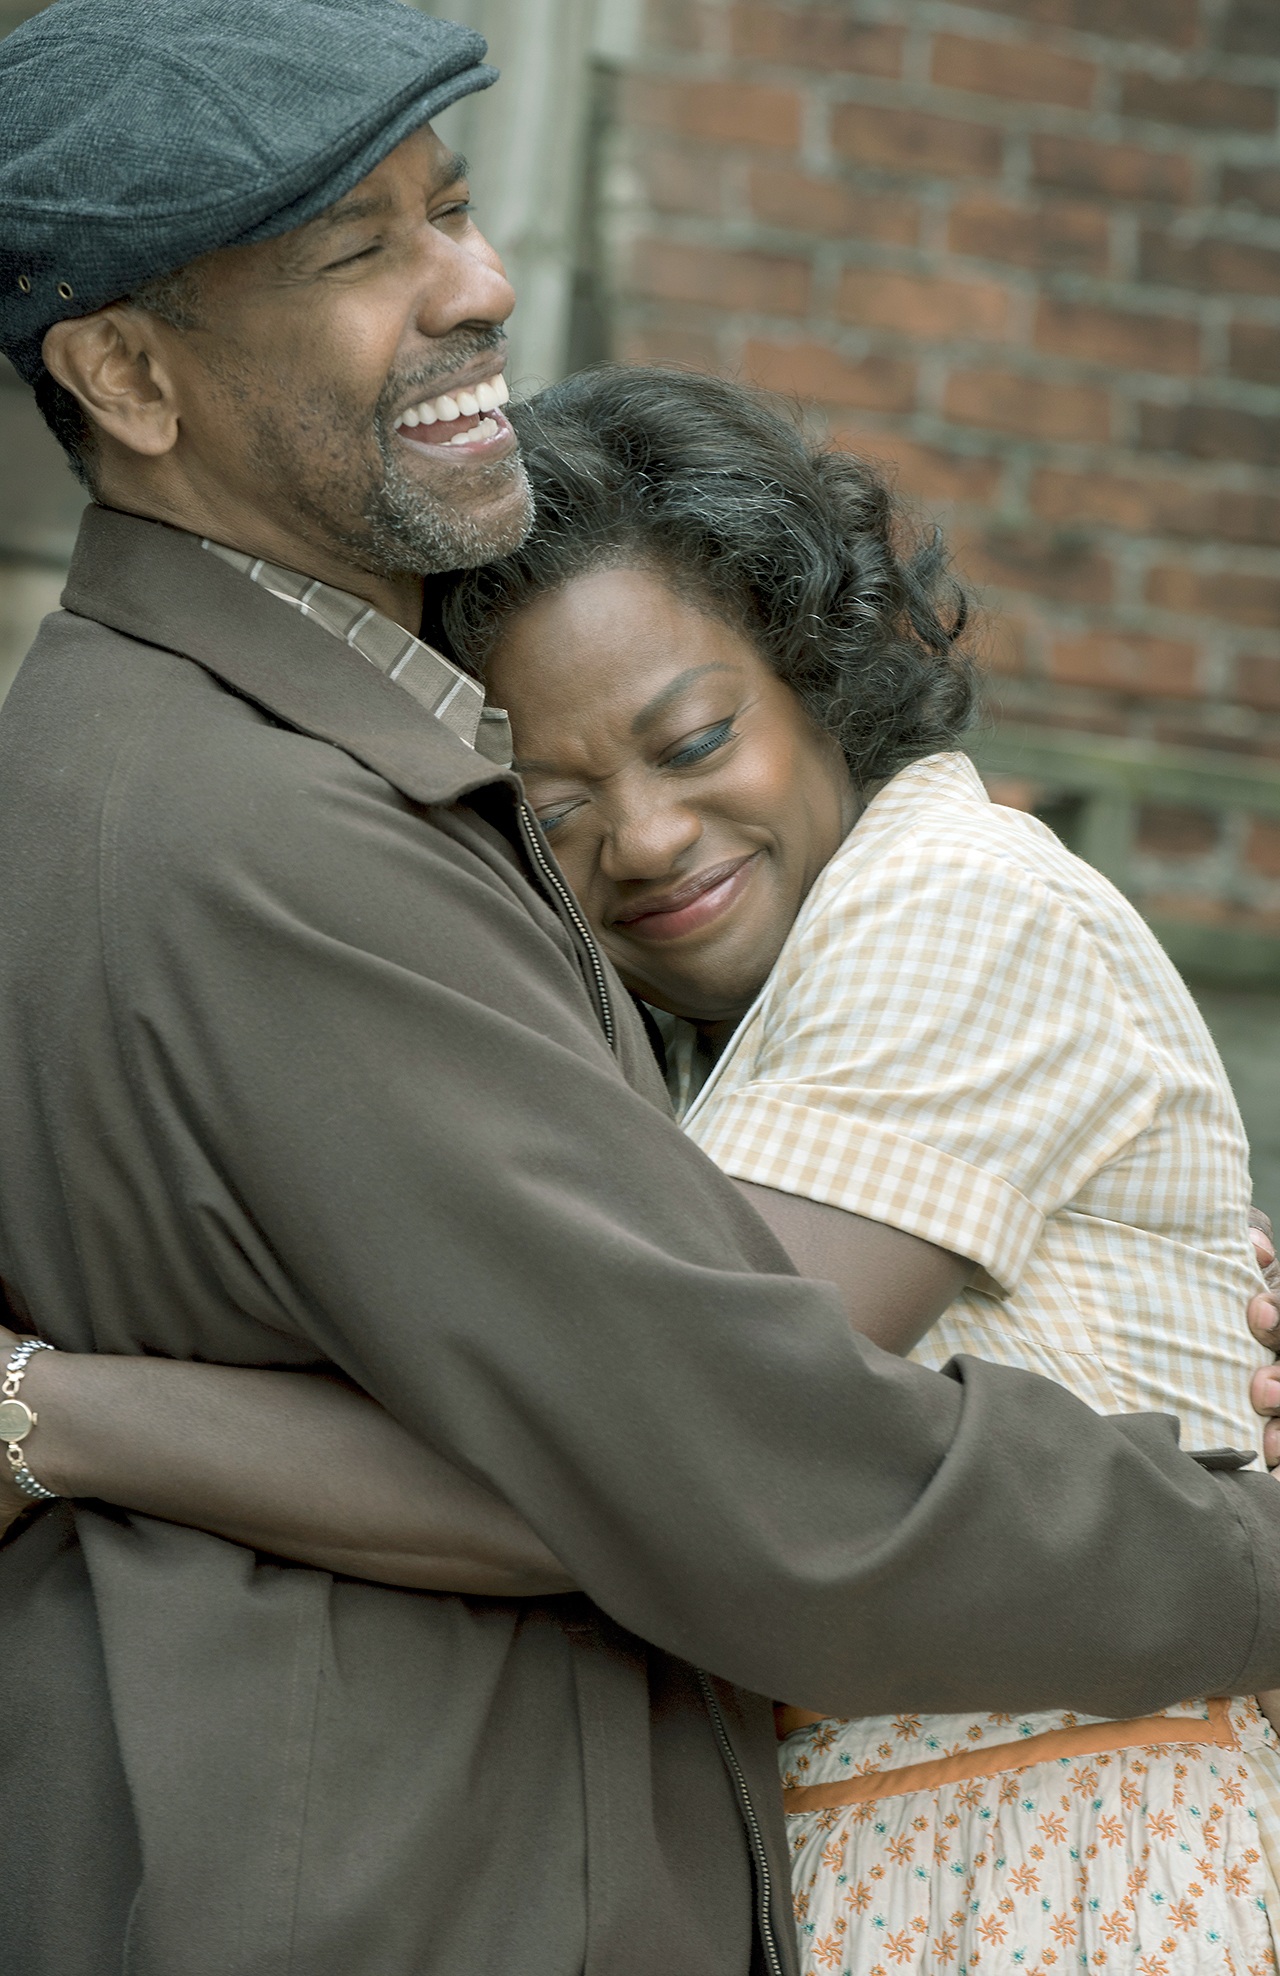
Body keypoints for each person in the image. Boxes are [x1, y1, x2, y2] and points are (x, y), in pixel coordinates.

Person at [5, 8, 1280, 1974]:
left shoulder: (153, 768)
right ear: (127, 376)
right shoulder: (274, 829)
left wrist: (61, 1415)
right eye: (365, 252)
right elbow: (704, 1466)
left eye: (454, 213)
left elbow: (673, 1446)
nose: (479, 284)